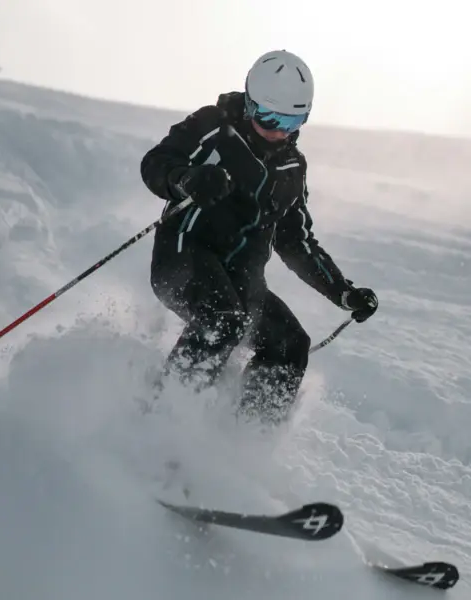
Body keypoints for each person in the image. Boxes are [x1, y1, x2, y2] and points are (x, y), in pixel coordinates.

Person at [140, 50, 378, 423]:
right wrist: (185, 178)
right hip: (183, 256)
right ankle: (161, 422)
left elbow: (295, 240)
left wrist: (342, 291)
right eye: (269, 118)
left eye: (293, 120)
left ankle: (242, 442)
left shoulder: (290, 167)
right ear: (250, 104)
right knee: (223, 319)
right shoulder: (214, 127)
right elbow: (156, 162)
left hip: (242, 280)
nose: (280, 130)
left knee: (290, 345)